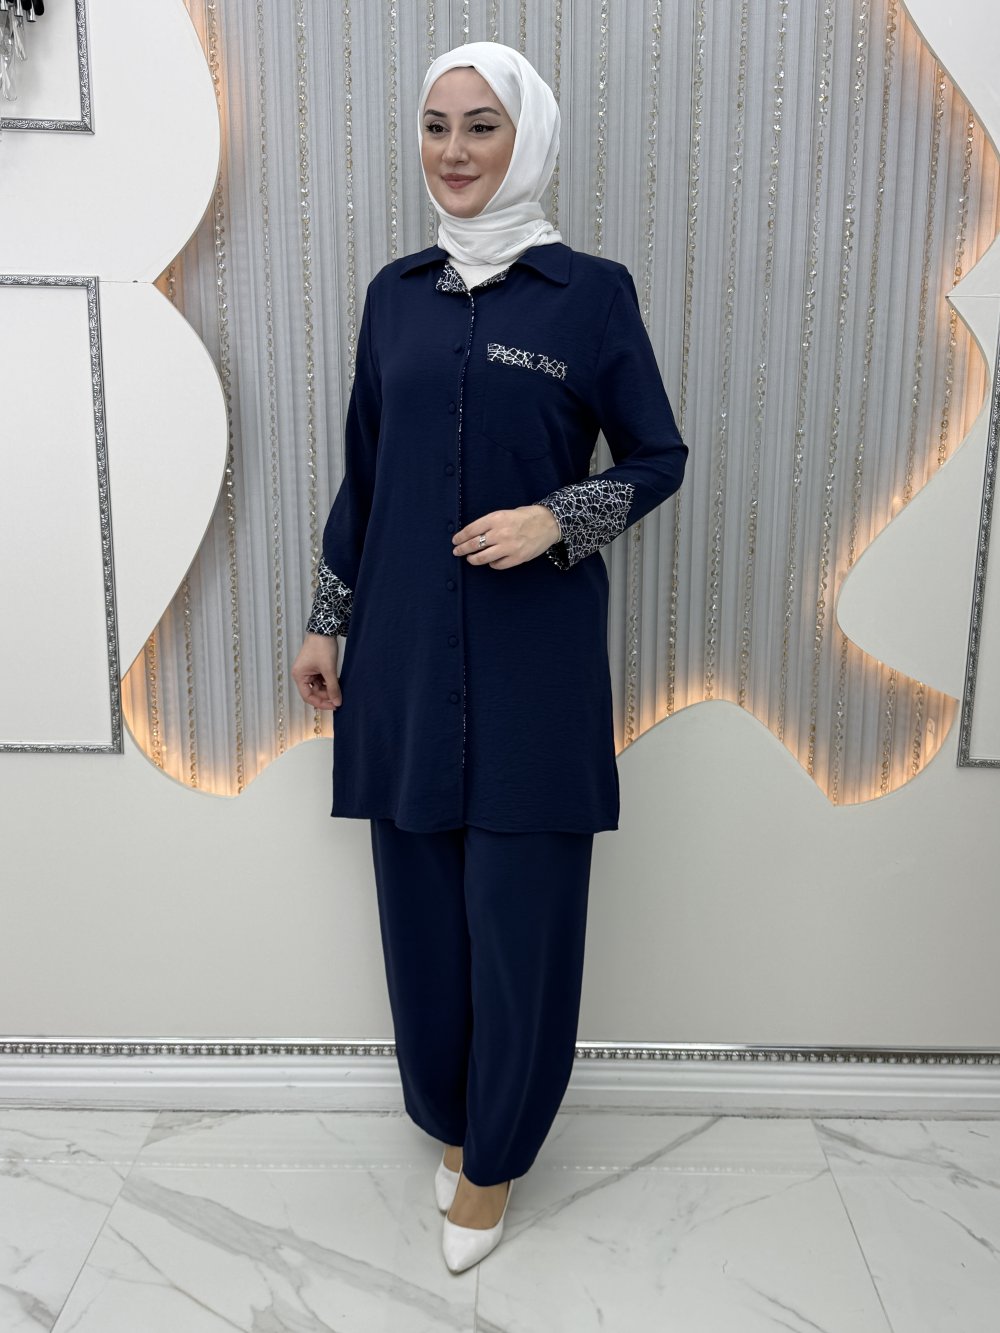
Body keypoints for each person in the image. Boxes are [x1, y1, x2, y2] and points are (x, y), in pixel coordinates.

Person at [291, 40, 687, 1274]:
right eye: (436, 125)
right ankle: (454, 1120)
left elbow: (658, 456)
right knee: (420, 919)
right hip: (403, 657)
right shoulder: (395, 295)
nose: (453, 151)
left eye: (481, 126)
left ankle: (497, 1156)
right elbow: (367, 473)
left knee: (520, 923)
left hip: (532, 667)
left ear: (528, 140)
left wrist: (555, 518)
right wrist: (327, 618)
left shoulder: (589, 296)